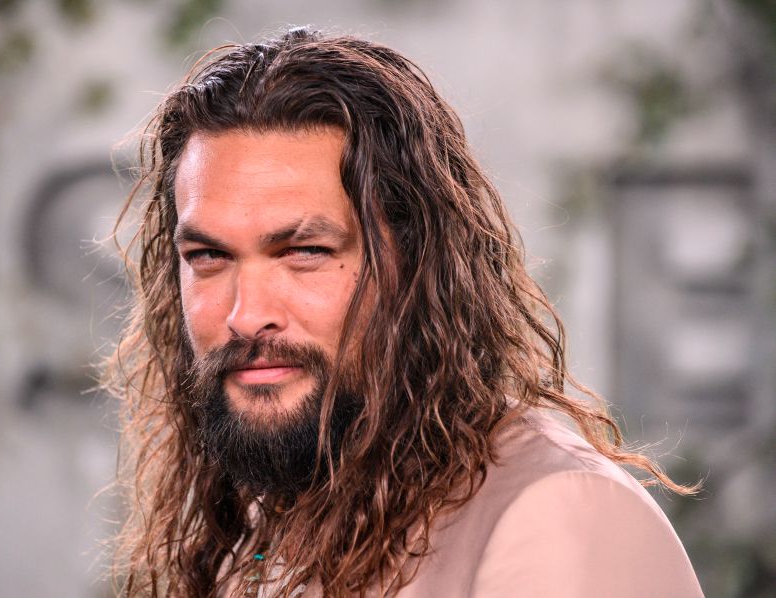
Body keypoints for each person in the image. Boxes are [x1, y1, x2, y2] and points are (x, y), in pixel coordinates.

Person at [104, 27, 704, 597]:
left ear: (417, 263)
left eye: (305, 252)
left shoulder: (556, 517)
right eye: (210, 256)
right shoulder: (266, 525)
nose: (245, 314)